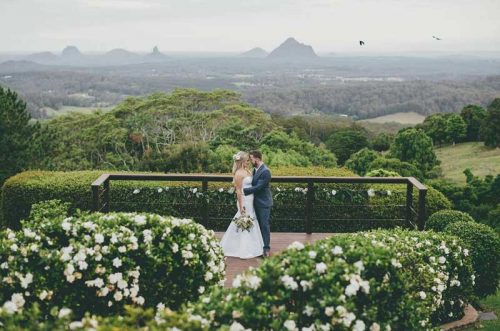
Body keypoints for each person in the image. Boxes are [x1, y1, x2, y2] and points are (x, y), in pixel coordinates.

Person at [220, 151, 264, 259]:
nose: (249, 162)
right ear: (243, 161)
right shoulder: (239, 173)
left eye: (249, 160)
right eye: (247, 160)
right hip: (244, 200)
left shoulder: (248, 171)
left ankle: (254, 246)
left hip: (251, 200)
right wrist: (241, 206)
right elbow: (238, 191)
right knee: (244, 220)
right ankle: (244, 249)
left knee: (251, 220)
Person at [243, 150, 273, 258]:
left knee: (264, 225)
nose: (250, 161)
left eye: (251, 159)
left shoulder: (266, 171)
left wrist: (243, 191)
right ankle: (258, 247)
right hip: (254, 202)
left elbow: (258, 187)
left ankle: (266, 249)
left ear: (257, 159)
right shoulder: (255, 170)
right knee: (257, 225)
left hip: (264, 203)